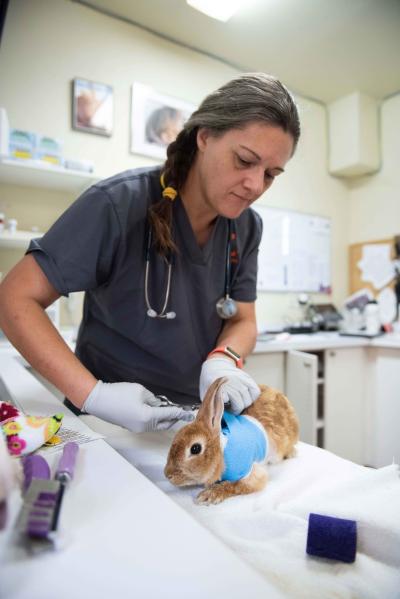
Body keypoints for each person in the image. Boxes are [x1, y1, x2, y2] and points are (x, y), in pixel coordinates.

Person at [0, 73, 300, 434]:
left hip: (194, 424)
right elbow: (14, 298)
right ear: (204, 136)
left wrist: (224, 359)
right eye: (244, 160)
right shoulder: (117, 204)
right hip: (106, 424)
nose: (255, 185)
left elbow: (242, 319)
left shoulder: (246, 227)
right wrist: (94, 395)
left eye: (271, 174)